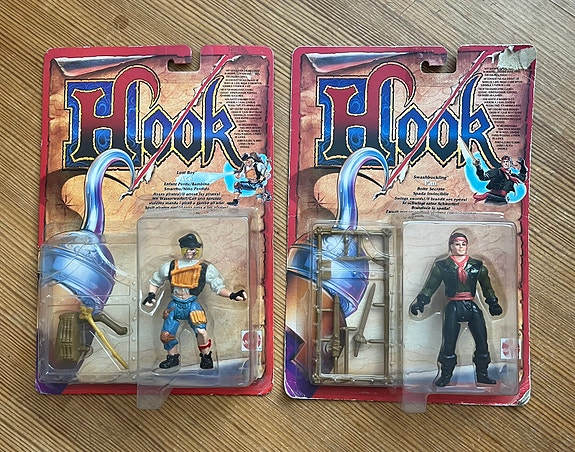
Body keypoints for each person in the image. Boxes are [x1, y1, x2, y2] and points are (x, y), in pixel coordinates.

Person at [410, 232, 503, 387]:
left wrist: (493, 303)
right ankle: (446, 375)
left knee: (482, 340)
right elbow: (430, 286)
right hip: (453, 306)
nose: (460, 247)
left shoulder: (477, 266)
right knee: (449, 343)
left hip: (471, 305)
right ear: (451, 246)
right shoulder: (443, 266)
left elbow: (487, 287)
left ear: (467, 246)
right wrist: (421, 302)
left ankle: (482, 374)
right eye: (457, 244)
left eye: (463, 244)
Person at [142, 232, 247, 370]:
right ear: (182, 249)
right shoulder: (170, 266)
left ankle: (206, 356)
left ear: (197, 250)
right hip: (174, 305)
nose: (189, 252)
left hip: (191, 305)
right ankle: (172, 358)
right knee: (166, 335)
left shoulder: (204, 268)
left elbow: (218, 287)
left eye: (192, 249)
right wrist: (151, 295)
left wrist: (232, 295)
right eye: (187, 249)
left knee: (202, 332)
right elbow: (156, 281)